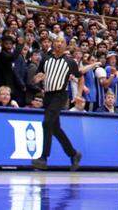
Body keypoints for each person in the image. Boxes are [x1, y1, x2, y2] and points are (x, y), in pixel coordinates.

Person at [31, 38, 82, 171]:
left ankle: (43, 158)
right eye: (57, 41)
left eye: (61, 42)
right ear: (53, 44)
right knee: (55, 129)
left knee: (46, 123)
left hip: (60, 96)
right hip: (47, 95)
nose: (59, 44)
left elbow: (80, 76)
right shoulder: (45, 59)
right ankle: (74, 154)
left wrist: (79, 94)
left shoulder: (71, 62)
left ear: (65, 45)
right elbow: (38, 76)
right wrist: (37, 79)